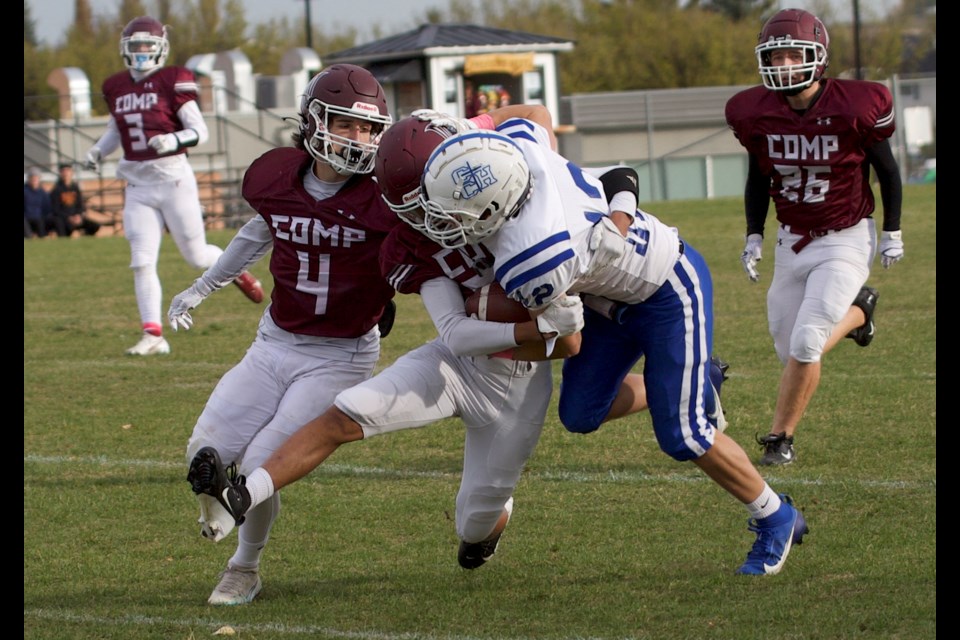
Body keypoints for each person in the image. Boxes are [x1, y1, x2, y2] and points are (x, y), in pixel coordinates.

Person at [181, 110, 644, 598]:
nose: (419, 219)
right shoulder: (407, 242)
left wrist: (613, 222)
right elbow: (456, 333)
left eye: (423, 205)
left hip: (518, 380)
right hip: (453, 358)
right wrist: (539, 322)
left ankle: (497, 516)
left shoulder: (507, 185)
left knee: (475, 522)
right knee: (348, 413)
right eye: (404, 208)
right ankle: (242, 501)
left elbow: (563, 140)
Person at [404, 118, 808, 575]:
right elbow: (619, 176)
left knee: (684, 434)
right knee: (579, 414)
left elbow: (567, 332)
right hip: (608, 300)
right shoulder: (522, 150)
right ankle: (698, 379)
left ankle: (776, 515)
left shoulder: (529, 262)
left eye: (460, 209)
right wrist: (617, 221)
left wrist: (495, 323)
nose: (449, 222)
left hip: (666, 289)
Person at [168, 64, 397, 606]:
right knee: (203, 450)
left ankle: (243, 567)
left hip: (340, 354)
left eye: (368, 130)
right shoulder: (279, 179)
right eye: (346, 125)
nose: (359, 140)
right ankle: (218, 505)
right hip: (274, 341)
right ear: (315, 120)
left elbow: (418, 254)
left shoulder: (383, 196)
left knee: (258, 467)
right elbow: (256, 234)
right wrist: (202, 287)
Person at [725, 8, 904, 466]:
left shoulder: (855, 106)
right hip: (791, 240)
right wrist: (752, 235)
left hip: (845, 237)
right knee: (790, 350)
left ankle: (780, 438)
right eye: (776, 56)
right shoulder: (755, 112)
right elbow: (756, 179)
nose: (784, 66)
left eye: (792, 55)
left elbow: (887, 170)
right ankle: (858, 315)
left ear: (817, 57)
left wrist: (892, 231)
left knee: (806, 344)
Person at [84, 16, 263, 356]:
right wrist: (97, 150)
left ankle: (234, 268)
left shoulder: (174, 79)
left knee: (196, 257)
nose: (140, 52)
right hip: (137, 184)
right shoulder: (116, 86)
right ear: (125, 48)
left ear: (160, 48)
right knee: (141, 261)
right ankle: (153, 334)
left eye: (146, 45)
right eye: (135, 45)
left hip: (174, 180)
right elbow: (115, 131)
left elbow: (200, 130)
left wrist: (173, 139)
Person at [49, 164, 101, 237]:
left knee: (95, 226)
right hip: (64, 219)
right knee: (63, 228)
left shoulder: (75, 188)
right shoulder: (56, 190)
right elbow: (56, 209)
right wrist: (69, 217)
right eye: (64, 171)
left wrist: (78, 215)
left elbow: (79, 204)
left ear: (71, 173)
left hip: (76, 217)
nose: (66, 173)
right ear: (60, 173)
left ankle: (85, 239)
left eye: (68, 171)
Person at [24, 167, 53, 239]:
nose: (34, 179)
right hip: (26, 218)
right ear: (28, 179)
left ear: (39, 179)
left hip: (39, 218)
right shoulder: (25, 191)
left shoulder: (43, 193)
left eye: (36, 177)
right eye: (32, 177)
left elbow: (47, 208)